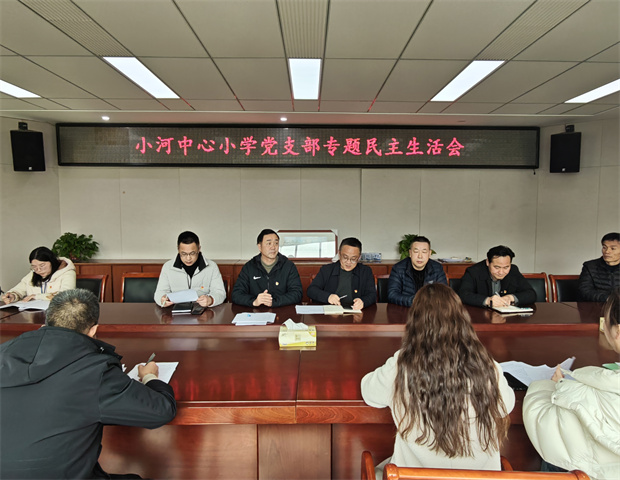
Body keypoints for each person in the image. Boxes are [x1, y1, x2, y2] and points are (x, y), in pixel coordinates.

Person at [0, 289, 177, 479]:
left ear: (45, 323)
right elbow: (161, 410)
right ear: (93, 330)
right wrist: (149, 377)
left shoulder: (4, 352)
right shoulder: (94, 370)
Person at [361, 284, 514, 475]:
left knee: (378, 468)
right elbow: (506, 406)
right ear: (461, 318)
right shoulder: (486, 364)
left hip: (413, 476)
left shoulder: (402, 363)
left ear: (415, 321)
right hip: (479, 477)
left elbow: (369, 393)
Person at [523, 289, 620, 479]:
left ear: (617, 331)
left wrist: (551, 386)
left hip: (595, 474)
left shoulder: (593, 392)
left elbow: (543, 425)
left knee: (555, 459)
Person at [231, 229, 302, 307]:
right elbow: (236, 294)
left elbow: (297, 293)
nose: (273, 247)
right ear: (260, 247)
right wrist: (254, 301)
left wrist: (274, 302)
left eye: (276, 243)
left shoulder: (288, 266)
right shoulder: (249, 267)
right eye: (269, 243)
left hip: (281, 310)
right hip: (255, 311)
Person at [155, 231, 226, 307]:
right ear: (178, 249)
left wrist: (211, 300)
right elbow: (160, 292)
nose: (188, 258)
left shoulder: (212, 267)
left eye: (192, 253)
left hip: (203, 310)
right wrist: (162, 299)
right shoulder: (167, 267)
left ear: (199, 249)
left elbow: (220, 293)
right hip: (175, 310)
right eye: (184, 254)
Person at [307, 237, 376, 310]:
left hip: (355, 312)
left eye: (353, 259)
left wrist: (363, 301)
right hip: (331, 312)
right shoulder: (327, 270)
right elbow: (311, 290)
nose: (348, 262)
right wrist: (328, 297)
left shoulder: (365, 271)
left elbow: (372, 294)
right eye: (345, 257)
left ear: (359, 257)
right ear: (339, 254)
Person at [458, 245, 536, 307]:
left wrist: (511, 298)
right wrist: (487, 300)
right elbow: (463, 295)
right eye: (497, 267)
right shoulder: (474, 271)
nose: (501, 272)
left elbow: (531, 294)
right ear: (488, 262)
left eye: (506, 267)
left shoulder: (513, 270)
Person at [1, 246, 76, 304]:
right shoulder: (33, 274)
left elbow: (66, 296)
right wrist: (13, 296)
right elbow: (19, 289)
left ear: (52, 261)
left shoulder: (67, 273)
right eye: (34, 266)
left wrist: (37, 296)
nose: (38, 270)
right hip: (33, 314)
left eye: (42, 265)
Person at [387, 235, 447, 306]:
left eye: (424, 252)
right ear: (410, 253)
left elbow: (444, 294)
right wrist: (415, 301)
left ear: (429, 254)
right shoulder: (398, 268)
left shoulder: (437, 268)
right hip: (405, 309)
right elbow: (392, 295)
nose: (420, 256)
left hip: (430, 309)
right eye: (416, 251)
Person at [578, 232, 620, 302]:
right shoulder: (590, 266)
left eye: (613, 248)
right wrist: (608, 299)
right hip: (596, 305)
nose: (607, 251)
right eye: (604, 247)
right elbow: (585, 291)